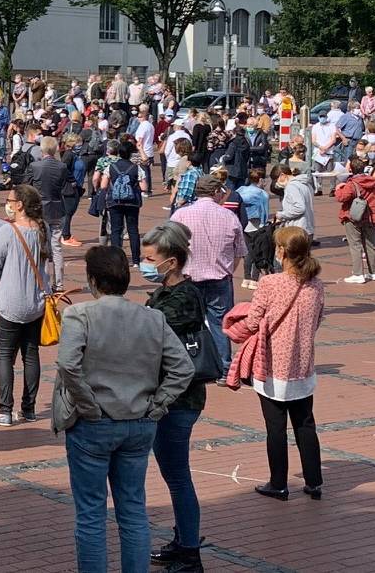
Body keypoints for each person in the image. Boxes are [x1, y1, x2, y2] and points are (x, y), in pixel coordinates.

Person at [54, 244, 192, 573]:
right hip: (139, 420)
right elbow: (183, 368)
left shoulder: (80, 314)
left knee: (91, 514)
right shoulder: (152, 317)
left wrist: (87, 404)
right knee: (132, 509)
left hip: (95, 423)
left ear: (93, 280)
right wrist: (157, 405)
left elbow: (68, 365)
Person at [224, 226, 326, 500]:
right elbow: (318, 320)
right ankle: (314, 482)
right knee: (305, 423)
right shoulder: (316, 285)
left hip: (272, 364)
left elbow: (254, 321)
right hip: (302, 364)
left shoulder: (270, 283)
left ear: (281, 251)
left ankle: (279, 483)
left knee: (276, 427)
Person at [141, 224, 209, 573]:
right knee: (174, 474)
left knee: (178, 475)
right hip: (169, 395)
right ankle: (183, 540)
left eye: (150, 258)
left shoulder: (183, 297)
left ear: (171, 261)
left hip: (179, 399)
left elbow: (149, 332)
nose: (144, 263)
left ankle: (189, 552)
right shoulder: (168, 292)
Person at [0, 186, 63, 426]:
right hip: (36, 302)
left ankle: (5, 410)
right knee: (30, 354)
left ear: (19, 205)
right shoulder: (42, 228)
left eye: (10, 200)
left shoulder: (8, 231)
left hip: (10, 302)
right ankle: (28, 408)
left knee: (4, 355)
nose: (7, 204)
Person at [170, 175, 246, 360]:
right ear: (216, 192)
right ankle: (223, 364)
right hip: (219, 279)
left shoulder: (180, 214)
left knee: (187, 323)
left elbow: (169, 246)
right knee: (220, 324)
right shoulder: (228, 216)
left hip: (188, 278)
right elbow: (239, 251)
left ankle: (191, 362)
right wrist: (228, 271)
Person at [335, 157, 375, 285]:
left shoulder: (352, 183)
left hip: (353, 217)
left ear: (351, 169)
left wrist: (338, 188)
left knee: (355, 245)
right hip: (370, 217)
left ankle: (358, 274)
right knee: (370, 245)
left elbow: (341, 197)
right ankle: (373, 272)